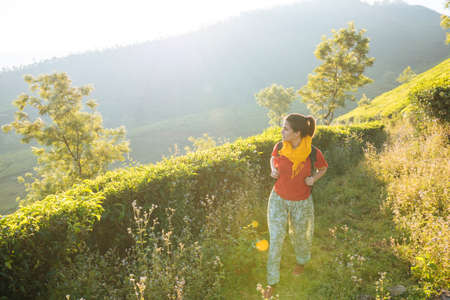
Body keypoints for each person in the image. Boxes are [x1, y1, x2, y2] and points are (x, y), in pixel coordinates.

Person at [264, 113, 328, 298]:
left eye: (286, 128)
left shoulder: (313, 152)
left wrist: (313, 178)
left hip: (301, 202)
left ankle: (301, 262)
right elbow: (272, 157)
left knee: (300, 236)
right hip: (278, 199)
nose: (282, 131)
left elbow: (323, 168)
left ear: (297, 132)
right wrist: (273, 169)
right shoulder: (279, 147)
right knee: (276, 238)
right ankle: (272, 281)